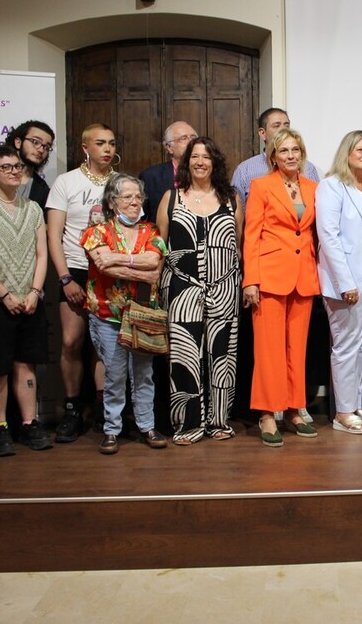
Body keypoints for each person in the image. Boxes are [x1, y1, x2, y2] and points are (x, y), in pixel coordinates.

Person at [231, 108, 320, 425]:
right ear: (273, 155)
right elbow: (251, 236)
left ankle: (296, 410)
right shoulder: (261, 186)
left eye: (296, 150)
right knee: (268, 352)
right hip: (268, 278)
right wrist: (250, 281)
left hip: (303, 278)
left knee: (297, 349)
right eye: (284, 150)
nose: (291, 155)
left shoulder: (312, 187)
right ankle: (268, 413)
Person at [157, 137, 243, 445]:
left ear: (214, 162)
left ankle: (218, 422)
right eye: (195, 156)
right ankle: (188, 424)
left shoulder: (232, 198)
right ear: (185, 162)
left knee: (222, 355)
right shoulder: (171, 198)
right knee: (184, 356)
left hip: (224, 286)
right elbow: (159, 248)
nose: (200, 161)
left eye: (206, 156)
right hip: (181, 287)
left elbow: (238, 247)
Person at [0, 145, 52, 456]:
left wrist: (34, 291)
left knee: (25, 363)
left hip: (31, 298)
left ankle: (30, 423)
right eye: (6, 167)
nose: (15, 171)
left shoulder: (32, 208)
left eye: (18, 167)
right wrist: (3, 294)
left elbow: (41, 253)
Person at [80, 173, 168, 453]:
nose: (134, 201)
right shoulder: (97, 232)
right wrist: (137, 268)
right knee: (115, 375)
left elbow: (154, 267)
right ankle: (112, 429)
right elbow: (102, 267)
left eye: (138, 196)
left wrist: (120, 259)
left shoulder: (151, 231)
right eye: (126, 196)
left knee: (144, 374)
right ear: (113, 201)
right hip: (108, 315)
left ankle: (147, 426)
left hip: (142, 315)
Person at [46, 123, 115, 442]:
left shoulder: (120, 182)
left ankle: (102, 407)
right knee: (72, 342)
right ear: (85, 148)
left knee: (104, 346)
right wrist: (63, 279)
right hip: (74, 268)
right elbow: (53, 234)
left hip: (110, 272)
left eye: (111, 143)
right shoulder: (66, 182)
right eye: (100, 143)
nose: (107, 149)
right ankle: (73, 407)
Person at [316, 130, 362, 434]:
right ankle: (342, 413)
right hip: (345, 283)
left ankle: (354, 404)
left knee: (360, 347)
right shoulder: (332, 187)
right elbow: (328, 236)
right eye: (360, 149)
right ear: (347, 152)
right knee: (345, 346)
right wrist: (346, 282)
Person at [231, 108, 321, 204]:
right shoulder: (245, 171)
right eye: (276, 126)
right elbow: (236, 212)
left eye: (287, 125)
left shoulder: (308, 169)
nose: (283, 130)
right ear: (262, 133)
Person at [0, 120, 55, 209]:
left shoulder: (42, 188)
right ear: (18, 142)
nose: (41, 150)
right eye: (35, 142)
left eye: (46, 147)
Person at [140, 121, 198, 224]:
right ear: (169, 147)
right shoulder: (151, 177)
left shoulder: (207, 173)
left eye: (193, 138)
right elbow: (142, 218)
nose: (191, 142)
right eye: (183, 138)